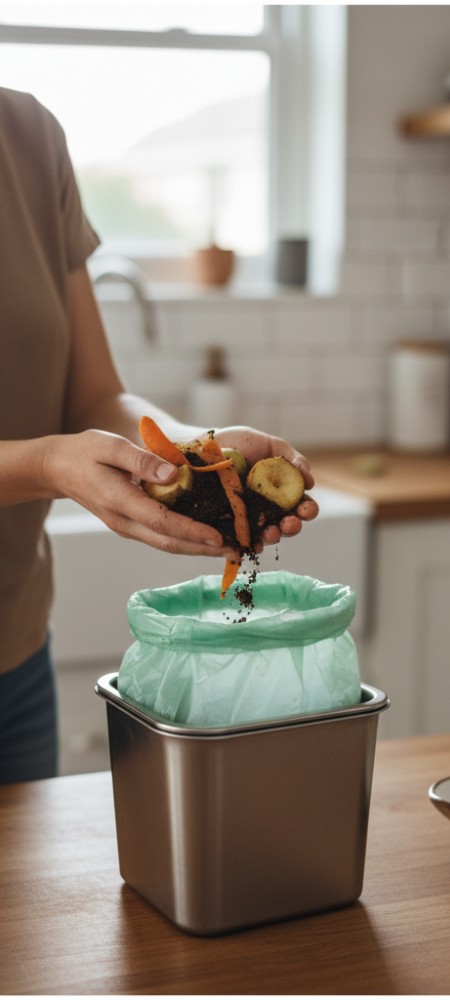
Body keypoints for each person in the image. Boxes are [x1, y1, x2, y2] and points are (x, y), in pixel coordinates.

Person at [0, 86, 318, 785]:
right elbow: (58, 448)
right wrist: (50, 463)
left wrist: (189, 449)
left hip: (14, 652)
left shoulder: (27, 135)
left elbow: (94, 394)